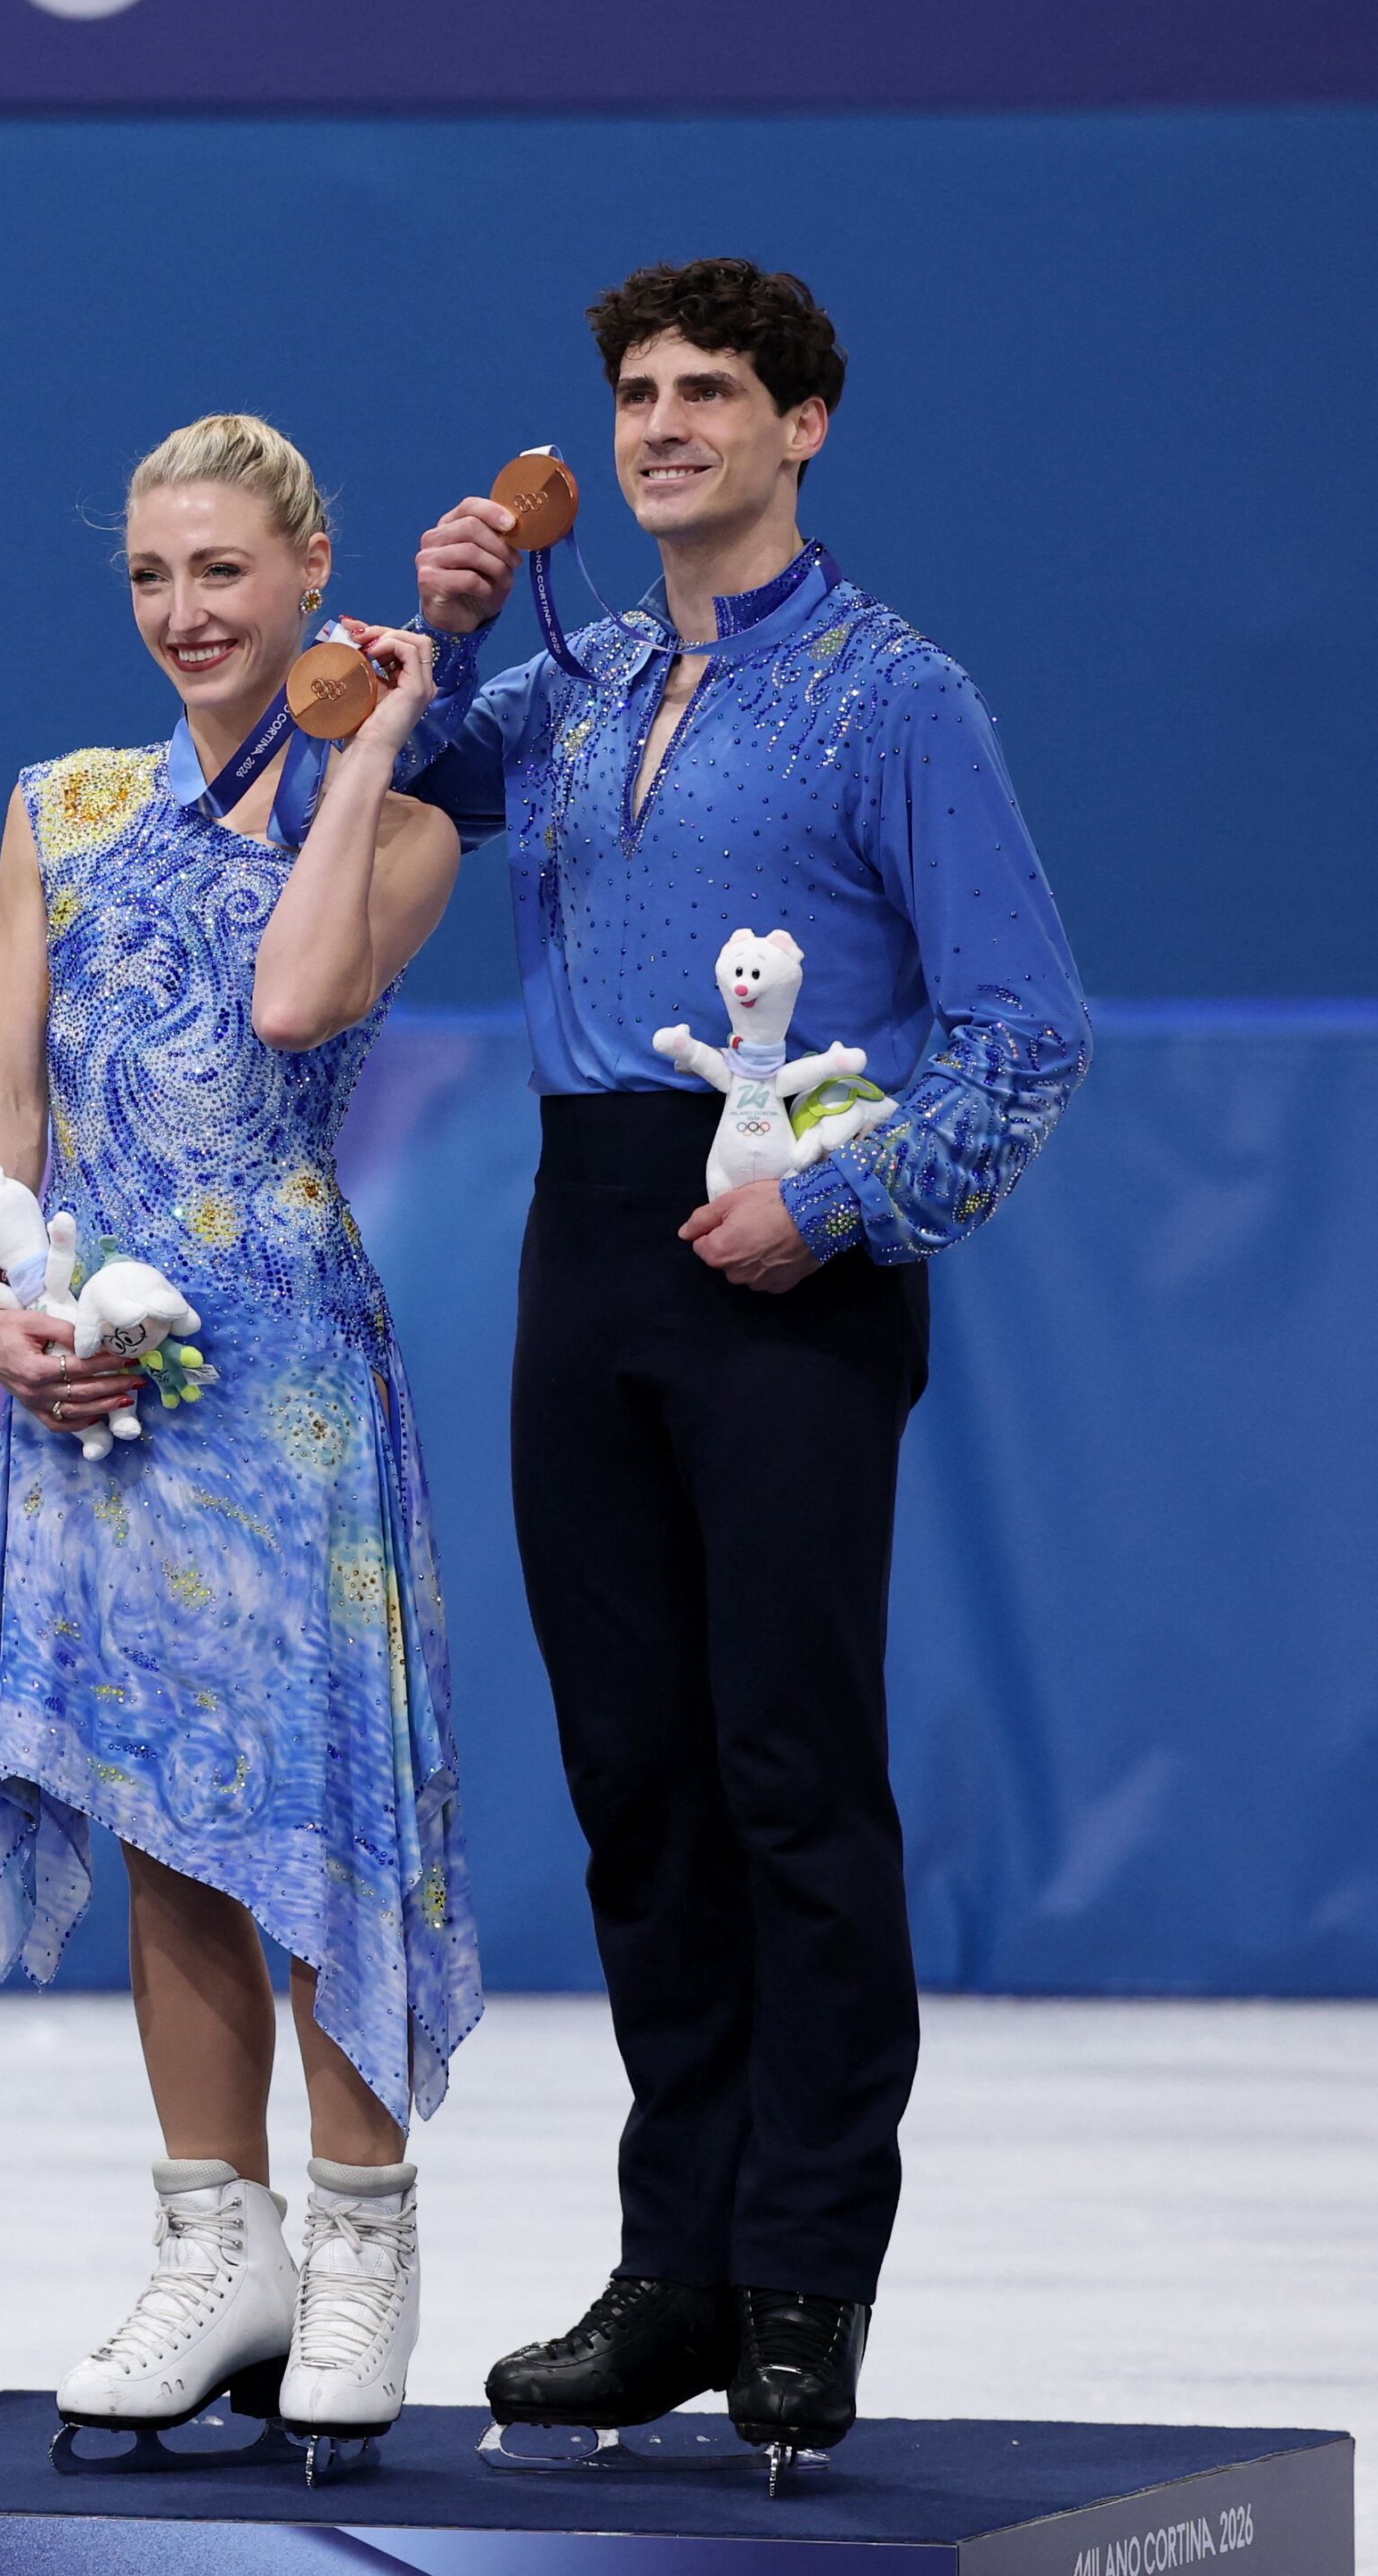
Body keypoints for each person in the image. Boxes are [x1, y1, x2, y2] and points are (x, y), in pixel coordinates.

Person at [406, 262, 1087, 2465]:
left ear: (807, 428)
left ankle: (806, 2272)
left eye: (713, 390)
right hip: (583, 1236)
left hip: (790, 1253)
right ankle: (672, 2261)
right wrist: (447, 615)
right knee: (635, 1786)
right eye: (635, 391)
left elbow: (1026, 1031)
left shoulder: (899, 700)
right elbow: (393, 766)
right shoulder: (582, 680)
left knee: (787, 1776)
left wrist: (847, 1200)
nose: (665, 421)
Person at [0, 415, 483, 2449]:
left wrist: (365, 744)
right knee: (161, 1808)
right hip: (92, 1356)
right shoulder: (56, 804)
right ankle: (216, 2242)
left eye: (224, 576)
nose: (186, 614)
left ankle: (360, 2247)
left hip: (281, 1369)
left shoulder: (407, 822)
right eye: (153, 580)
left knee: (314, 1814)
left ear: (309, 570)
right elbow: (7, 1078)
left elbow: (286, 1000)